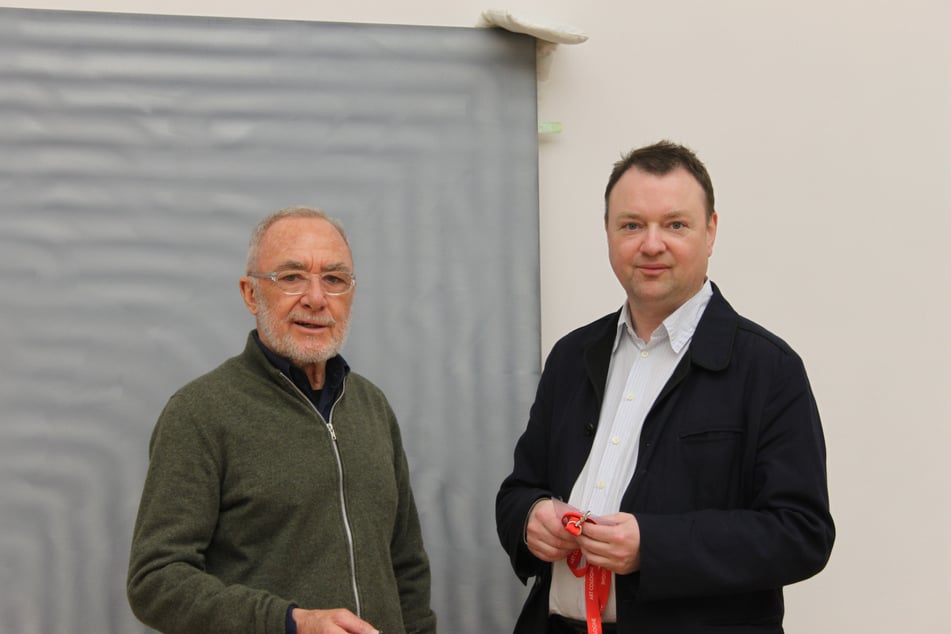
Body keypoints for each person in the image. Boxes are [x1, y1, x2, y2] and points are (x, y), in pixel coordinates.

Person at [496, 141, 834, 633]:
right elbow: (518, 490)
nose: (651, 244)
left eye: (675, 224)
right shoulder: (571, 356)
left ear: (711, 231)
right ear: (608, 232)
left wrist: (653, 546)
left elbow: (802, 533)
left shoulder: (768, 368)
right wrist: (530, 517)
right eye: (631, 225)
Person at [128, 206, 436, 634]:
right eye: (291, 277)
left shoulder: (371, 406)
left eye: (334, 279)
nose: (315, 298)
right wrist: (290, 623)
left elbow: (407, 568)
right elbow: (155, 581)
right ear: (251, 293)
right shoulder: (199, 412)